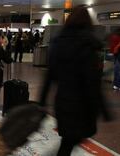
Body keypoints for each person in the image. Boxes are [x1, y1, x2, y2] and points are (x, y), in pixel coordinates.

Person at [40, 5, 112, 156]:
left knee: (68, 141)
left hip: (63, 102)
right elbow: (92, 81)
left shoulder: (59, 42)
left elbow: (49, 75)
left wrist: (42, 101)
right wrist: (103, 109)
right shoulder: (88, 45)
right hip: (82, 105)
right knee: (71, 141)